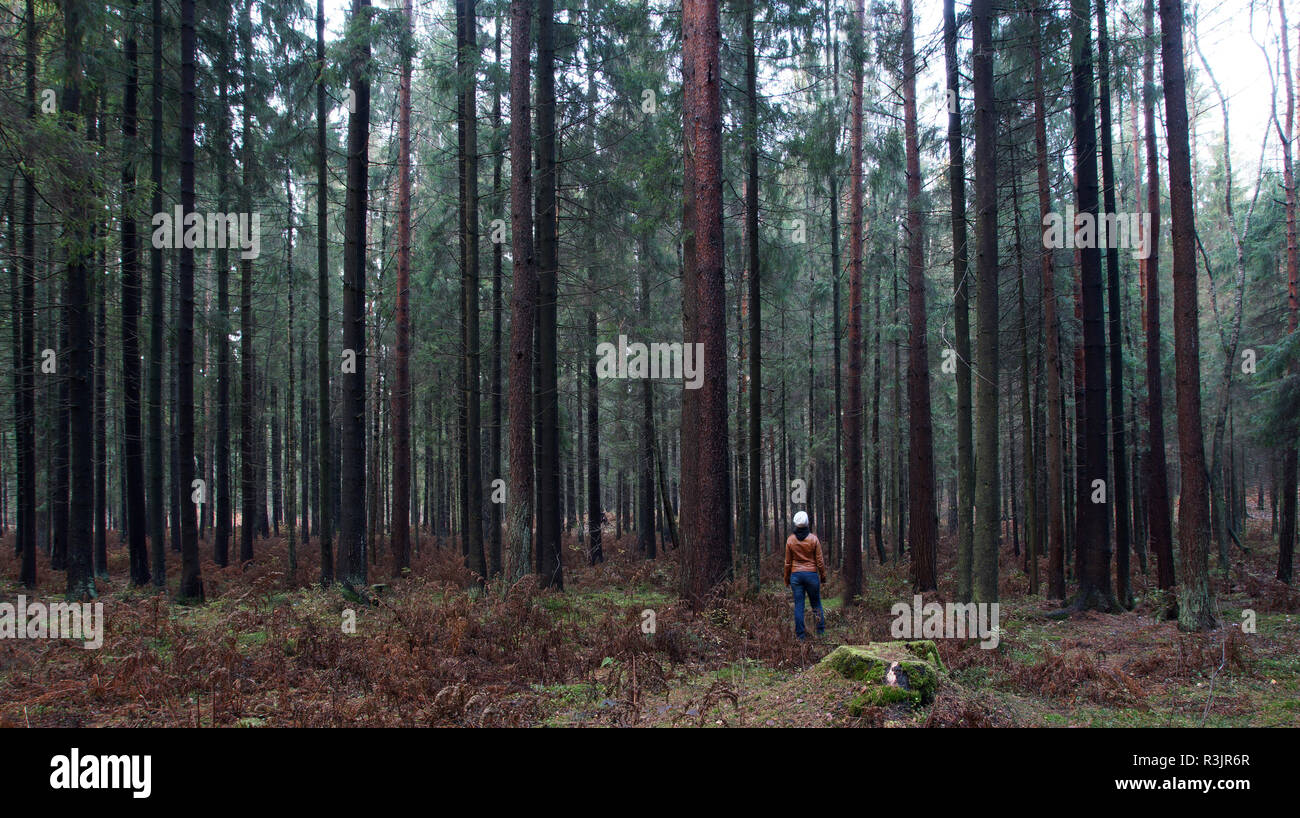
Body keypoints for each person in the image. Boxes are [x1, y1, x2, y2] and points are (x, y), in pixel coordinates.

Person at [784, 510, 826, 640]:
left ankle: (800, 636)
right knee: (816, 604)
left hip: (796, 576)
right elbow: (819, 561)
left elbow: (787, 562)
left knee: (799, 606)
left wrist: (786, 579)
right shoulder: (813, 539)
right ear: (807, 523)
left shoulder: (790, 540)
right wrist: (823, 576)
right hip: (811, 575)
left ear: (795, 524)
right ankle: (820, 632)